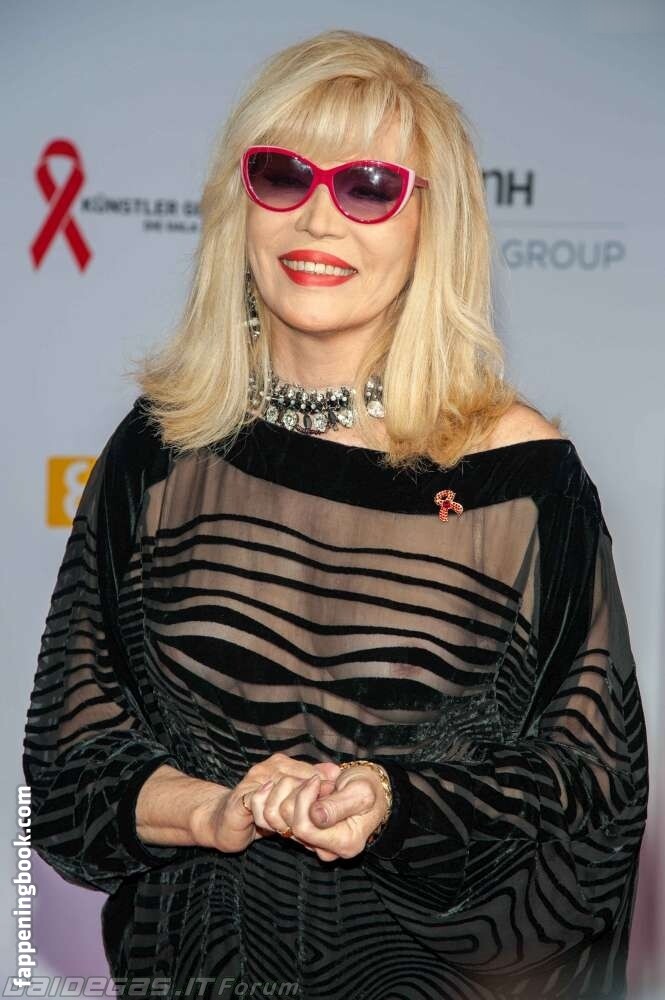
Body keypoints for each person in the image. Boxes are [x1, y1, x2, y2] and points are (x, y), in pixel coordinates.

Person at [22, 28, 648, 1000]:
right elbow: (67, 776)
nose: (318, 218)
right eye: (282, 175)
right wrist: (213, 811)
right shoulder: (159, 451)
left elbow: (589, 795)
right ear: (241, 204)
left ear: (430, 223)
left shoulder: (517, 481)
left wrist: (392, 802)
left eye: (368, 187)